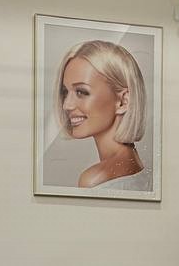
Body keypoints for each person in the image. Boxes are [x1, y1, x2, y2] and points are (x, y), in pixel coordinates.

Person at [55, 39, 149, 190]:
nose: (67, 105)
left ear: (123, 101)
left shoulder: (93, 180)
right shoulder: (136, 165)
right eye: (65, 92)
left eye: (81, 92)